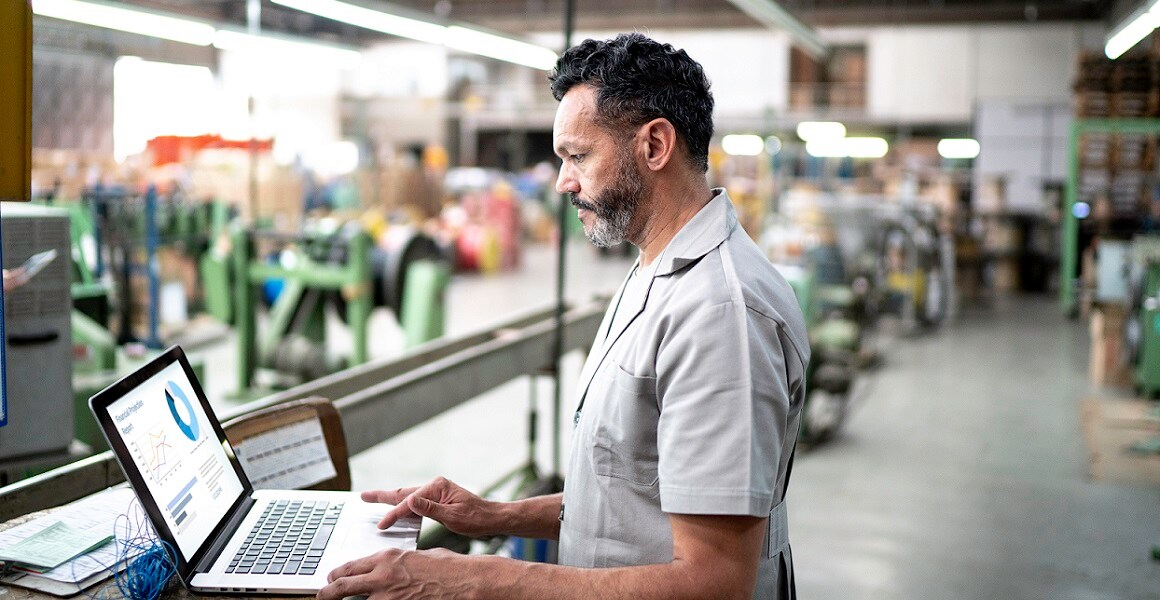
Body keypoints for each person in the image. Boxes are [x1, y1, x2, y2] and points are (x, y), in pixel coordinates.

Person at [317, 33, 810, 600]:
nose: (562, 182)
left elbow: (714, 581)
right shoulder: (656, 266)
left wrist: (476, 578)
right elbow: (630, 501)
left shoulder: (721, 314)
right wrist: (495, 515)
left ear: (654, 146)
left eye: (578, 156)